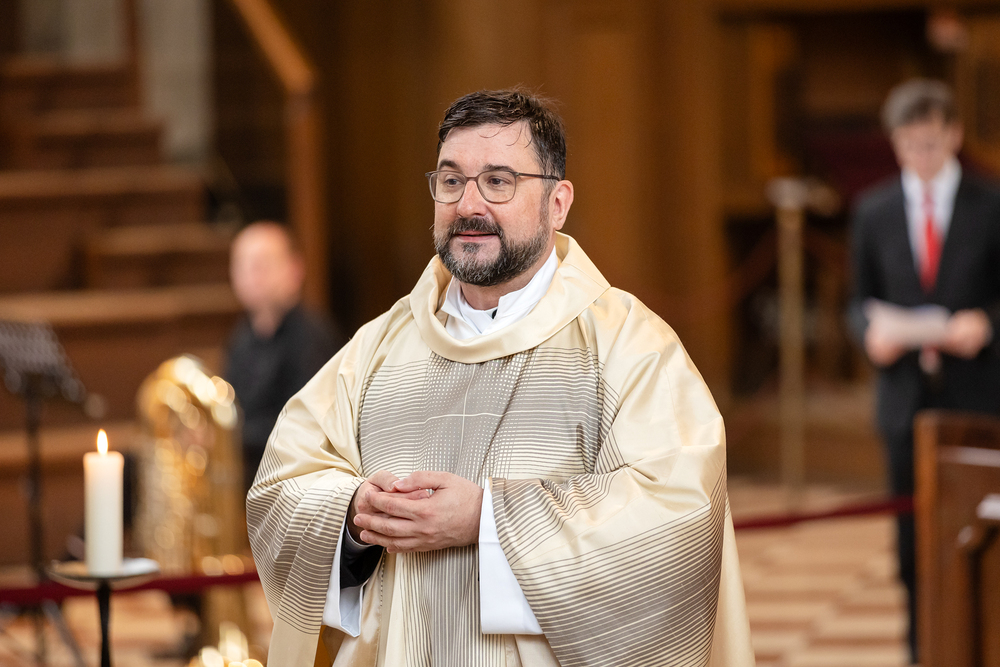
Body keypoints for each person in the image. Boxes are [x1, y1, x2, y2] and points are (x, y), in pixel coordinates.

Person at [248, 90, 754, 667]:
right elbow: (282, 485)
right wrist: (354, 516)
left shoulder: (627, 346)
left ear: (557, 204)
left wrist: (486, 520)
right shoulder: (379, 348)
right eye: (451, 181)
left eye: (498, 181)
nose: (469, 204)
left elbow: (678, 514)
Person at [849, 78, 1000, 664]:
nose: (922, 156)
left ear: (954, 135)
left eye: (932, 143)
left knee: (982, 530)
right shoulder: (874, 210)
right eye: (910, 145)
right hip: (905, 398)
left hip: (978, 393)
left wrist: (986, 324)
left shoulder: (991, 204)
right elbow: (858, 302)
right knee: (912, 540)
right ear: (895, 143)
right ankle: (922, 651)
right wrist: (871, 335)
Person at [226, 221, 342, 492]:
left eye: (261, 265)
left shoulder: (313, 338)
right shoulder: (240, 338)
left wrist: (225, 436)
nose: (251, 276)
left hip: (296, 486)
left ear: (294, 270)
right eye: (241, 265)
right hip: (247, 478)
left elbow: (304, 429)